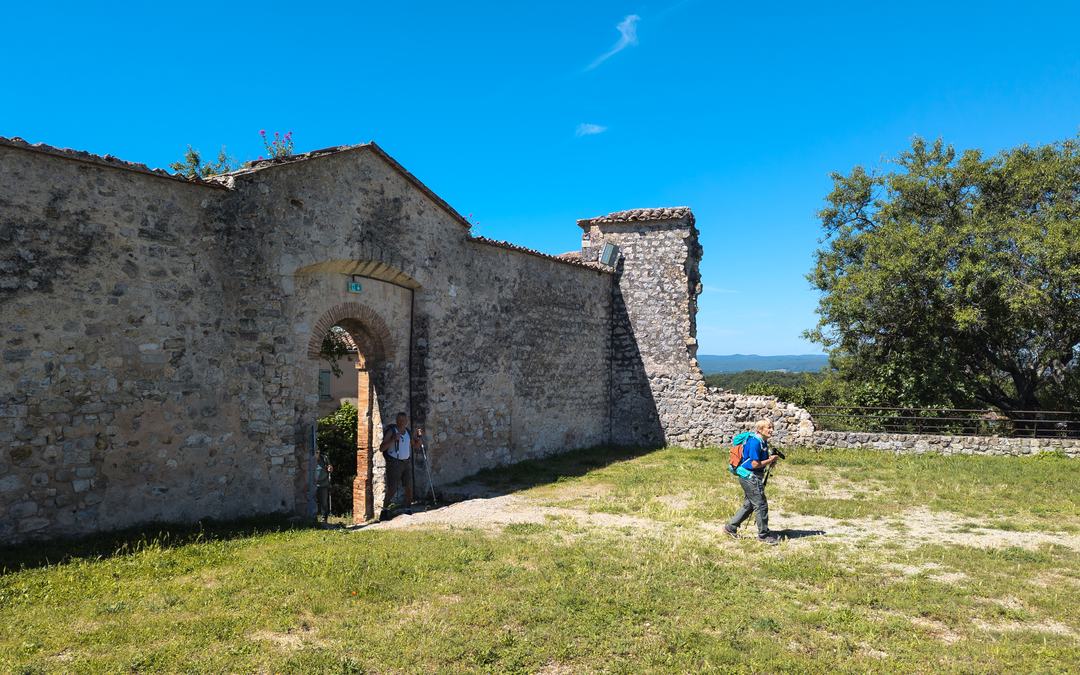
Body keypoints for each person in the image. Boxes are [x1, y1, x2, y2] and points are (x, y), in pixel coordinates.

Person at [724, 419, 781, 545]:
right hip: (750, 476)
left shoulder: (763, 442)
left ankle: (730, 527)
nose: (771, 430)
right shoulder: (755, 442)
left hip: (752, 476)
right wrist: (770, 459)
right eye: (768, 427)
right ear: (760, 430)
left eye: (772, 427)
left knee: (750, 504)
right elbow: (755, 464)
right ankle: (763, 535)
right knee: (760, 505)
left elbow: (760, 462)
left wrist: (770, 461)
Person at [379, 412, 423, 514]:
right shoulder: (392, 431)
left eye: (403, 420)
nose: (401, 422)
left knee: (408, 486)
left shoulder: (407, 432)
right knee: (392, 489)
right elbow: (382, 448)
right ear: (396, 421)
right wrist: (393, 439)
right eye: (399, 420)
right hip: (394, 463)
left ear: (406, 421)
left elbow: (415, 445)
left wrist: (419, 439)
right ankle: (384, 510)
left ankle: (408, 508)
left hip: (406, 462)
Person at [315, 452, 333, 524]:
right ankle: (314, 518)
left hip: (324, 484)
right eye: (315, 452)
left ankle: (324, 519)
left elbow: (330, 467)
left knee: (324, 503)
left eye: (317, 452)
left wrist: (330, 468)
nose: (316, 454)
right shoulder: (310, 459)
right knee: (313, 502)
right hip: (313, 485)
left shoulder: (324, 458)